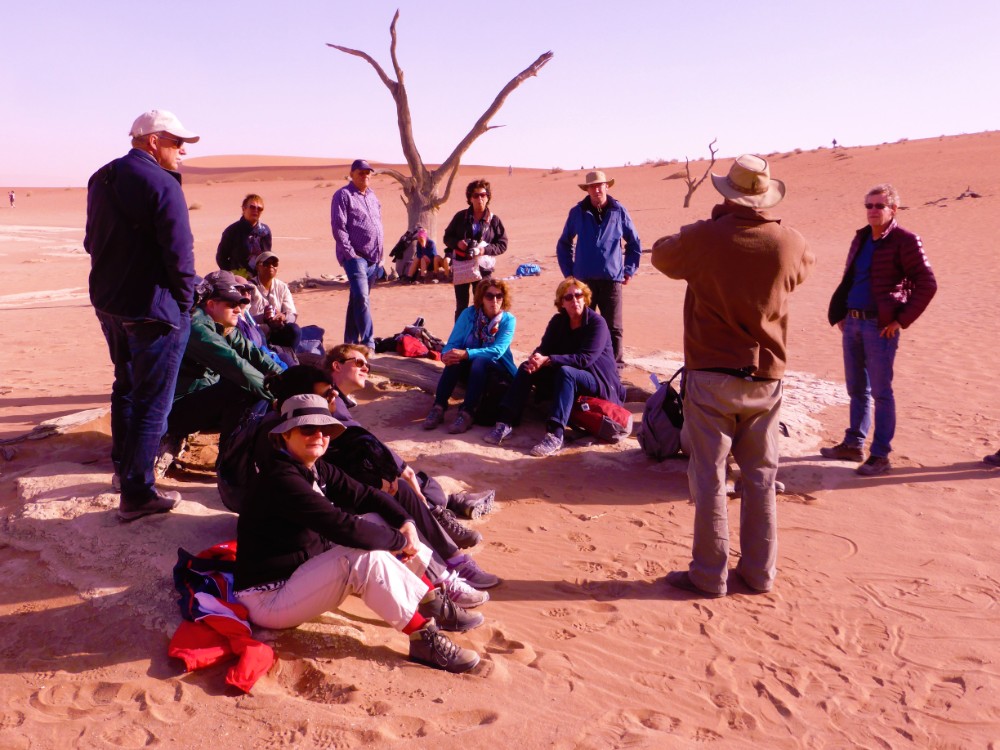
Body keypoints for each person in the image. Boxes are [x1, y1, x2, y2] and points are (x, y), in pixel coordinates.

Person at [651, 153, 814, 597]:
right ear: (764, 196)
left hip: (711, 373)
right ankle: (760, 573)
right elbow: (801, 270)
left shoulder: (705, 238)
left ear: (729, 193)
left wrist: (712, 227)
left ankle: (709, 574)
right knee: (760, 475)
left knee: (709, 476)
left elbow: (662, 255)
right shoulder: (788, 242)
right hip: (765, 375)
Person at [234, 394, 482, 673]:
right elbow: (341, 527)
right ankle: (423, 637)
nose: (318, 435)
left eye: (324, 429)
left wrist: (406, 523)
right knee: (362, 557)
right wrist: (401, 543)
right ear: (285, 435)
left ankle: (429, 601)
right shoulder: (281, 479)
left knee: (377, 521)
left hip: (301, 574)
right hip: (270, 598)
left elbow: (369, 496)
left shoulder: (314, 467)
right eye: (307, 429)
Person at [261, 366, 497, 604]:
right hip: (309, 524)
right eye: (327, 395)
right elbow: (319, 493)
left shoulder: (323, 419)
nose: (334, 398)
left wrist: (392, 477)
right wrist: (399, 535)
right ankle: (438, 581)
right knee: (381, 514)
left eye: (333, 392)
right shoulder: (280, 439)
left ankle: (452, 559)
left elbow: (346, 456)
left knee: (399, 493)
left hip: (329, 497)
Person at [84, 109, 199, 521]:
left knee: (127, 385)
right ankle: (137, 492)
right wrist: (184, 305)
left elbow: (89, 241)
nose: (183, 150)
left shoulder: (101, 178)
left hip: (109, 303)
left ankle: (123, 470)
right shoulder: (163, 184)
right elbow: (180, 255)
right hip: (153, 310)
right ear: (152, 141)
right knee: (154, 401)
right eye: (176, 142)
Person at [323, 345, 499, 556]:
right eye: (359, 363)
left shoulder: (337, 400)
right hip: (342, 484)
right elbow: (360, 441)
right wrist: (399, 466)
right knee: (403, 481)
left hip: (346, 473)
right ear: (336, 366)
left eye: (368, 365)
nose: (366, 369)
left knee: (408, 476)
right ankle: (442, 519)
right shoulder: (330, 399)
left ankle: (448, 504)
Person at [821, 184, 937, 476]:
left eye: (879, 206)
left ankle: (881, 455)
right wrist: (842, 312)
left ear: (893, 209)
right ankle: (853, 444)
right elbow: (850, 278)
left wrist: (901, 320)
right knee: (857, 388)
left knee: (882, 393)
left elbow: (927, 283)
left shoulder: (906, 240)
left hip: (879, 327)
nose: (873, 211)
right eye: (869, 206)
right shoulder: (861, 238)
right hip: (852, 322)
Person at [484, 277, 624, 458]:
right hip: (567, 375)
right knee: (527, 367)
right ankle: (505, 423)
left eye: (578, 295)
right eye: (569, 297)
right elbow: (545, 348)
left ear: (585, 298)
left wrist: (548, 359)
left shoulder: (597, 323)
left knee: (567, 373)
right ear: (561, 303)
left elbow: (585, 359)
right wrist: (537, 358)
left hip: (598, 381)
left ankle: (555, 434)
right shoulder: (559, 321)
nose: (575, 300)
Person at [159, 270, 284, 473]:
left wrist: (291, 382)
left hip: (198, 400)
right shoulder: (197, 328)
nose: (238, 309)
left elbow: (256, 356)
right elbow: (236, 366)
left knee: (258, 390)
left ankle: (249, 455)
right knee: (244, 387)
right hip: (173, 410)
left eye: (240, 304)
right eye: (231, 304)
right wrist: (280, 397)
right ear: (211, 304)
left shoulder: (222, 326)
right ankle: (230, 463)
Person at [556, 170, 642, 366]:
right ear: (587, 190)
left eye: (599, 185)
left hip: (612, 280)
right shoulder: (577, 212)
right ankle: (580, 364)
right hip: (583, 282)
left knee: (614, 327)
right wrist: (569, 274)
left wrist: (628, 270)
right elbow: (564, 244)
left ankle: (615, 368)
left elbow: (634, 243)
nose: (596, 190)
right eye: (592, 187)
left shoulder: (618, 211)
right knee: (580, 323)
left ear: (607, 186)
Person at [423, 278, 516, 434]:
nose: (495, 300)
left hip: (498, 372)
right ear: (481, 298)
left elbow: (497, 351)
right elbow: (453, 342)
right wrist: (446, 355)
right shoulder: (469, 314)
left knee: (480, 360)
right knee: (454, 358)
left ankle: (467, 413)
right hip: (472, 370)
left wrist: (466, 354)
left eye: (499, 296)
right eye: (489, 296)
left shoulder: (508, 320)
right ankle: (438, 407)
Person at [331, 159, 383, 349]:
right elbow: (338, 226)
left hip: (373, 258)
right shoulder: (343, 195)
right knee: (362, 297)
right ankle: (369, 343)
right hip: (356, 257)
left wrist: (380, 257)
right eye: (361, 172)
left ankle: (350, 343)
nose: (365, 176)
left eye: (368, 172)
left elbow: (378, 225)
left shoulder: (372, 196)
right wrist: (350, 254)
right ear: (352, 174)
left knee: (357, 300)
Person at [443, 179, 508, 320]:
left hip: (483, 269)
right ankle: (459, 339)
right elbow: (447, 238)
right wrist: (458, 244)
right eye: (476, 195)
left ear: (488, 197)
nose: (480, 198)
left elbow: (502, 244)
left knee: (483, 304)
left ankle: (482, 337)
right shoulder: (460, 217)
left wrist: (484, 250)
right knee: (461, 306)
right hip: (462, 266)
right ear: (470, 198)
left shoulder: (494, 220)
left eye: (483, 195)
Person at [249, 250, 302, 362]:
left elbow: (292, 314)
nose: (271, 266)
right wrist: (263, 318)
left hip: (277, 331)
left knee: (294, 329)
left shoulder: (282, 286)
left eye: (274, 264)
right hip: (257, 332)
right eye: (266, 264)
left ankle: (292, 356)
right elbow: (243, 318)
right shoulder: (249, 288)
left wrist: (283, 317)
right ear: (258, 267)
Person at [216, 194, 272, 277]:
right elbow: (221, 257)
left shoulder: (265, 231)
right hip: (237, 278)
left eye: (259, 208)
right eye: (252, 207)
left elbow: (266, 255)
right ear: (244, 208)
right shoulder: (232, 231)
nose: (256, 210)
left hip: (259, 277)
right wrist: (232, 275)